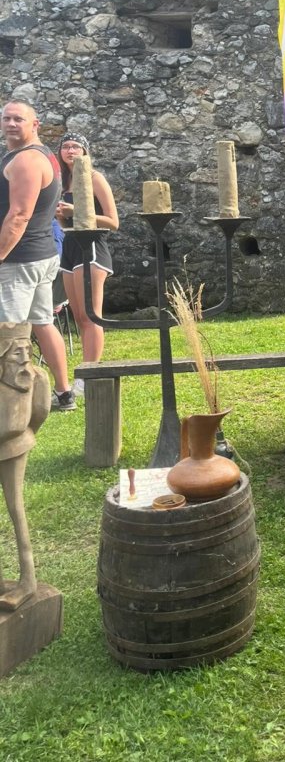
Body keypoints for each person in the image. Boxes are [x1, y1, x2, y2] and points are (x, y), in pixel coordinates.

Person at [0, 100, 75, 411]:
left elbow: (19, 215)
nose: (11, 123)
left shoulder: (28, 160)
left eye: (19, 119)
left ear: (35, 124)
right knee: (43, 323)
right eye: (6, 118)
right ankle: (64, 393)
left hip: (19, 260)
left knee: (9, 332)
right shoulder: (36, 155)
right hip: (39, 255)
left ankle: (12, 405)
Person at [55, 132, 118, 396]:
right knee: (80, 317)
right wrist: (60, 216)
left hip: (91, 247)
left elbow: (113, 221)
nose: (70, 151)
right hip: (70, 247)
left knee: (92, 315)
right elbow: (64, 223)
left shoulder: (94, 178)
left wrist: (76, 211)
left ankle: (89, 375)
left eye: (76, 146)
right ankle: (85, 372)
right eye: (65, 147)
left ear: (85, 152)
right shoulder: (62, 183)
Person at [0, 321, 50, 612]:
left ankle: (27, 581)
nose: (23, 358)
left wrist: (24, 435)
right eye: (15, 353)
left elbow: (40, 412)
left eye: (26, 351)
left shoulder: (37, 379)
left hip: (15, 449)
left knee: (16, 509)